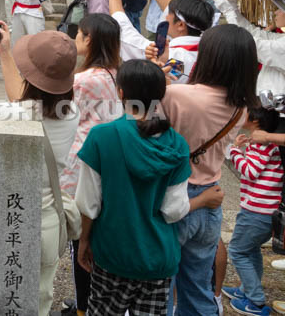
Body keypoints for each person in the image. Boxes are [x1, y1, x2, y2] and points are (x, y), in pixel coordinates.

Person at [74, 60, 210, 316]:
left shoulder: (102, 137)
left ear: (121, 93)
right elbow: (173, 210)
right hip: (158, 260)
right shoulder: (178, 145)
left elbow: (88, 204)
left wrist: (84, 241)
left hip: (113, 254)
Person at [0, 26, 79, 315]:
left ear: (29, 74)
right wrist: (4, 53)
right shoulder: (71, 113)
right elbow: (28, 103)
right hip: (44, 224)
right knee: (32, 304)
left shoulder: (2, 115)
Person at [161, 25, 258, 315]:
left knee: (161, 287)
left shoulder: (177, 95)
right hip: (210, 201)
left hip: (175, 199)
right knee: (198, 287)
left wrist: (159, 77)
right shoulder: (240, 108)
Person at [60, 13, 122, 315]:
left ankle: (85, 305)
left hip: (81, 167)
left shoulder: (81, 81)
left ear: (89, 40)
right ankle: (93, 300)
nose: (76, 38)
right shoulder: (117, 75)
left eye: (79, 34)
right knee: (95, 237)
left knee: (80, 243)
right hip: (111, 163)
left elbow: (60, 116)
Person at [222, 108, 283, 315]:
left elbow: (250, 171)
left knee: (237, 251)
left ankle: (256, 301)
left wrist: (233, 151)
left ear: (255, 121)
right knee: (251, 250)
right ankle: (246, 289)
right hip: (264, 211)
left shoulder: (262, 145)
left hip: (257, 211)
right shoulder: (270, 144)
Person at [108, 0, 214, 81]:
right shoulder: (211, 48)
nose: (166, 16)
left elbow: (128, 37)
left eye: (169, 14)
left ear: (180, 25)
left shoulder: (173, 57)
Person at [214, 0, 285, 99]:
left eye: (281, 9)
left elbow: (250, 43)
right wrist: (233, 8)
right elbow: (251, 32)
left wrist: (229, 11)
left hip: (276, 106)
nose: (276, 12)